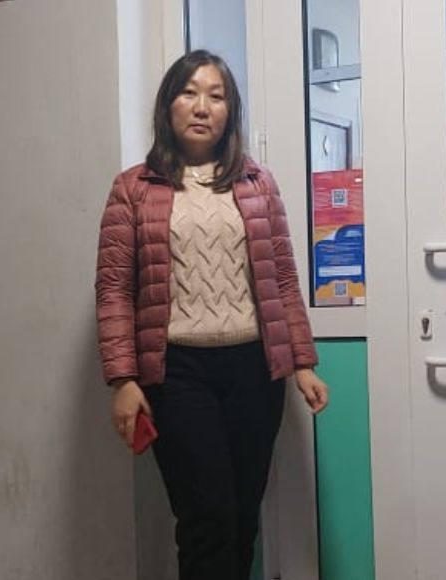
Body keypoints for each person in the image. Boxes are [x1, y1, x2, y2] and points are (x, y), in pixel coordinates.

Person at [95, 49, 329, 580]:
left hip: (255, 371)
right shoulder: (133, 188)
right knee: (207, 519)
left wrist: (302, 363)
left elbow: (283, 278)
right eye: (189, 93)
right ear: (168, 105)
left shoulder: (258, 183)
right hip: (177, 374)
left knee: (242, 519)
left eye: (216, 96)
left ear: (230, 111)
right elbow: (113, 289)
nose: (202, 107)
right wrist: (123, 379)